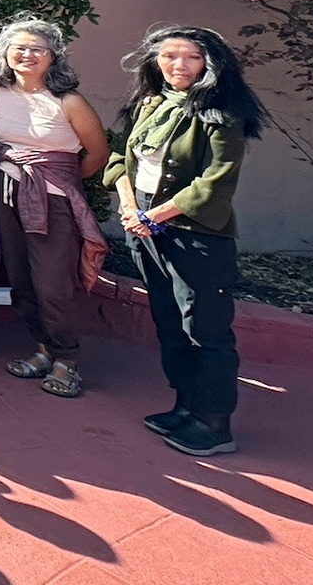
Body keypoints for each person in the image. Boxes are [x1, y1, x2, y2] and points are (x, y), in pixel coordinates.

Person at [106, 25, 268, 457]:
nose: (178, 65)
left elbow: (214, 184)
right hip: (144, 226)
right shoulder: (150, 103)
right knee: (169, 320)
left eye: (192, 57)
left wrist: (152, 217)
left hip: (195, 234)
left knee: (205, 328)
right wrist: (129, 207)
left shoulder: (222, 114)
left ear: (210, 65)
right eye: (169, 56)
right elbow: (120, 159)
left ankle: (214, 422)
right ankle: (186, 406)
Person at [0, 17, 111, 399]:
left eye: (37, 49)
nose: (27, 55)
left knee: (53, 283)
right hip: (7, 193)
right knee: (20, 278)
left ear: (53, 56)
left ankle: (66, 360)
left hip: (52, 200)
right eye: (19, 48)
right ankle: (42, 349)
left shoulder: (69, 102)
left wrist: (59, 182)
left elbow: (97, 154)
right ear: (5, 53)